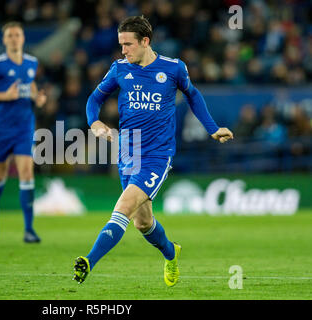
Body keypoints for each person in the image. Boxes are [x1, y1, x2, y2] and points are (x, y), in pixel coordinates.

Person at [74, 16, 233, 287]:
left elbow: (192, 95)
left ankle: (88, 261)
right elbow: (94, 98)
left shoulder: (173, 68)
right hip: (128, 154)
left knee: (123, 207)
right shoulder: (119, 69)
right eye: (121, 44)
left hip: (157, 155)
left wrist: (212, 128)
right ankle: (171, 252)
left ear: (145, 41)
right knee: (142, 223)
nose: (123, 50)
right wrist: (95, 121)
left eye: (128, 44)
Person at [0, 22, 47, 243]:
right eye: (10, 36)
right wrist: (4, 96)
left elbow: (31, 85)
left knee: (27, 173)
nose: (14, 39)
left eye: (17, 35)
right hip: (2, 128)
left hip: (24, 126)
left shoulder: (32, 62)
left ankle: (29, 229)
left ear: (23, 38)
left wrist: (38, 98)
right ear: (4, 40)